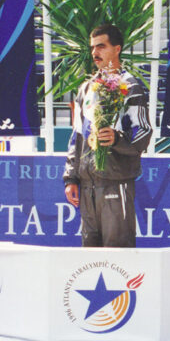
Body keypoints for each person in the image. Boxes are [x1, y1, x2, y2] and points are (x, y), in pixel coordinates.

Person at [63, 24, 152, 247]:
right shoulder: (86, 88)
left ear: (117, 49)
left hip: (115, 184)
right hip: (87, 187)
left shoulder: (131, 87)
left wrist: (117, 138)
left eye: (101, 46)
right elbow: (77, 137)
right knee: (90, 259)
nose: (95, 53)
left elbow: (143, 132)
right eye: (93, 48)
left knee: (117, 257)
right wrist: (71, 178)